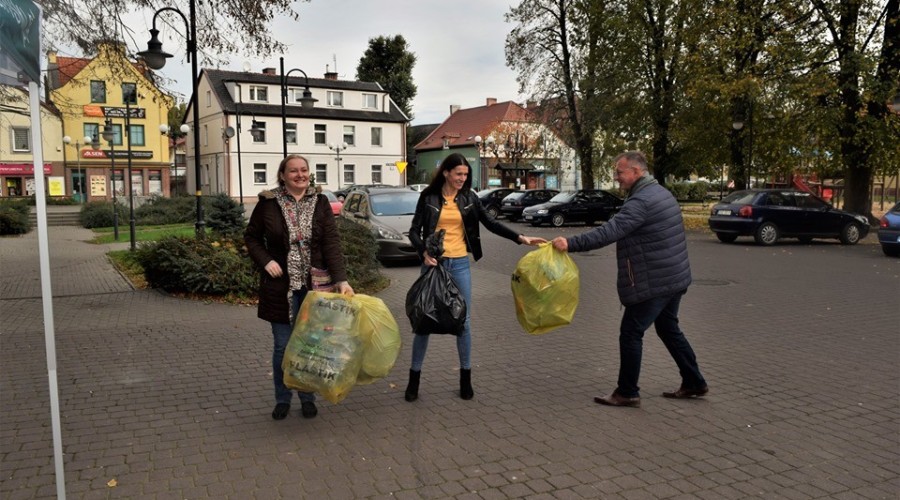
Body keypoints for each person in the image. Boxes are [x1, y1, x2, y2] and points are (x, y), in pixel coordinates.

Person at [550, 151, 707, 408]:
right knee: (668, 328)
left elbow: (610, 231)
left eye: (620, 172)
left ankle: (627, 391)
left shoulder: (641, 202)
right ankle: (694, 381)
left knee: (631, 332)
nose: (616, 177)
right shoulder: (661, 193)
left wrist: (570, 243)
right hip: (673, 276)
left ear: (636, 172)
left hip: (654, 281)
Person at [405, 153, 545, 402]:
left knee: (464, 322)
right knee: (423, 321)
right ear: (446, 172)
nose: (462, 178)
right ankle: (414, 379)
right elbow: (414, 230)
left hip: (459, 264)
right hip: (433, 265)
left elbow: (490, 223)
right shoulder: (428, 197)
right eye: (458, 174)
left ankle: (465, 379)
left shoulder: (469, 198)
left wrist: (520, 238)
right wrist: (423, 252)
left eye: (465, 174)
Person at [245, 154, 355, 420]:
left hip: (316, 286)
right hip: (280, 288)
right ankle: (283, 398)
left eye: (304, 170)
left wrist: (342, 279)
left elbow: (331, 243)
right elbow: (251, 237)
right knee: (283, 346)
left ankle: (307, 396)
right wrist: (266, 260)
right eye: (293, 171)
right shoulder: (268, 204)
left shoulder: (320, 202)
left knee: (311, 345)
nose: (300, 175)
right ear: (283, 175)